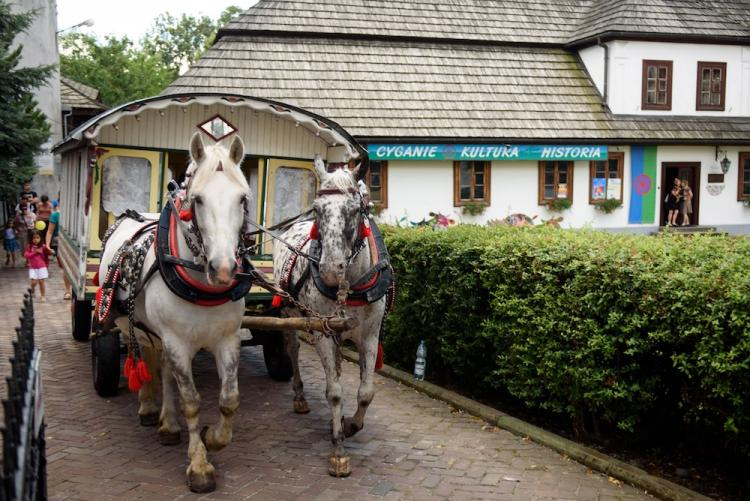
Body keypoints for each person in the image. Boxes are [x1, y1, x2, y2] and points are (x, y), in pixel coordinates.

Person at [46, 199, 72, 299]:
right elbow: (50, 231)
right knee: (66, 268)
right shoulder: (55, 215)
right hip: (60, 243)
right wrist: (47, 244)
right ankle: (68, 290)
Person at [24, 230, 52, 302]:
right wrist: (35, 252)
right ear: (31, 239)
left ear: (40, 238)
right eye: (34, 238)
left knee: (41, 281)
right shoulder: (29, 247)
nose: (36, 240)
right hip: (33, 268)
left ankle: (43, 296)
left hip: (42, 267)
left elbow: (49, 253)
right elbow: (26, 255)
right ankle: (32, 289)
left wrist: (50, 251)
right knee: (34, 282)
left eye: (37, 238)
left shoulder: (43, 247)